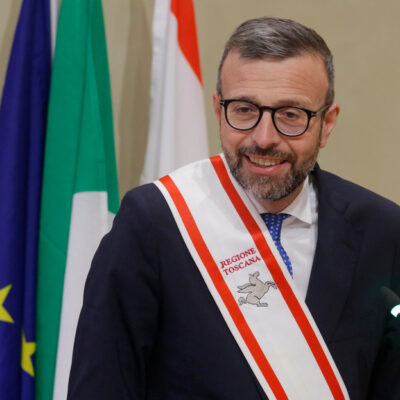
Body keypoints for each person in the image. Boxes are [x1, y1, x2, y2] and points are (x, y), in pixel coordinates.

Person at [67, 17, 400, 400]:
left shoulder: (382, 231)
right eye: (243, 110)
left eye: (291, 115)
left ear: (327, 123)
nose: (264, 138)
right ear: (217, 108)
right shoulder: (154, 223)